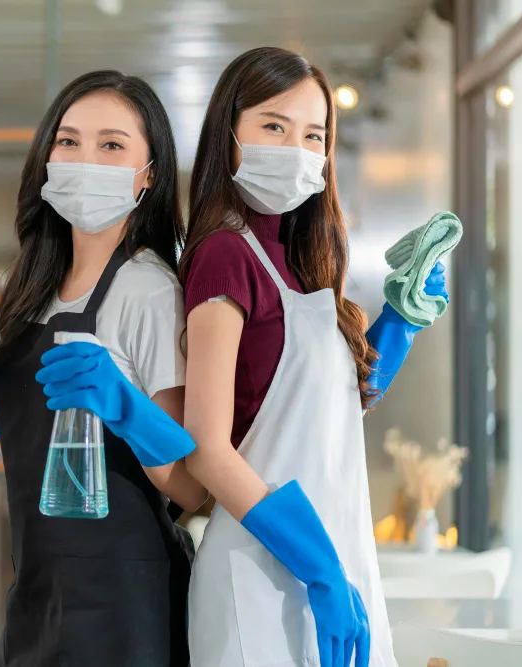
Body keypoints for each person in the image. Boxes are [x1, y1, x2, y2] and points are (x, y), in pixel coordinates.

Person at [0, 70, 206, 666]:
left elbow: (191, 485)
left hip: (125, 601)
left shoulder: (149, 290)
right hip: (38, 587)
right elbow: (19, 427)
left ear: (149, 174)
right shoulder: (33, 285)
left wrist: (124, 405)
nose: (85, 158)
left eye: (112, 144)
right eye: (68, 141)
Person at [176, 47, 448, 667]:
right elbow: (208, 446)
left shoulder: (306, 267)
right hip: (263, 573)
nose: (296, 150)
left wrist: (401, 322)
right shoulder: (226, 256)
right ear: (231, 134)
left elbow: (330, 416)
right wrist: (320, 571)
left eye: (313, 135)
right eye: (273, 126)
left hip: (335, 554)